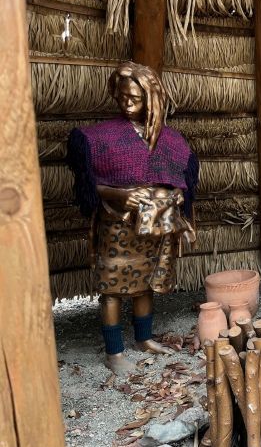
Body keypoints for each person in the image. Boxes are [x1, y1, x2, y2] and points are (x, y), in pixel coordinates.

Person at [67, 61, 198, 375]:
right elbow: (87, 186)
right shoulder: (98, 138)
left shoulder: (170, 140)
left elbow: (181, 180)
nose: (127, 104)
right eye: (122, 97)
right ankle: (114, 352)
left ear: (151, 99)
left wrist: (176, 196)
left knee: (145, 284)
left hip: (155, 226)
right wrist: (117, 195)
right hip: (117, 225)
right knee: (111, 288)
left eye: (135, 99)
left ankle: (144, 338)